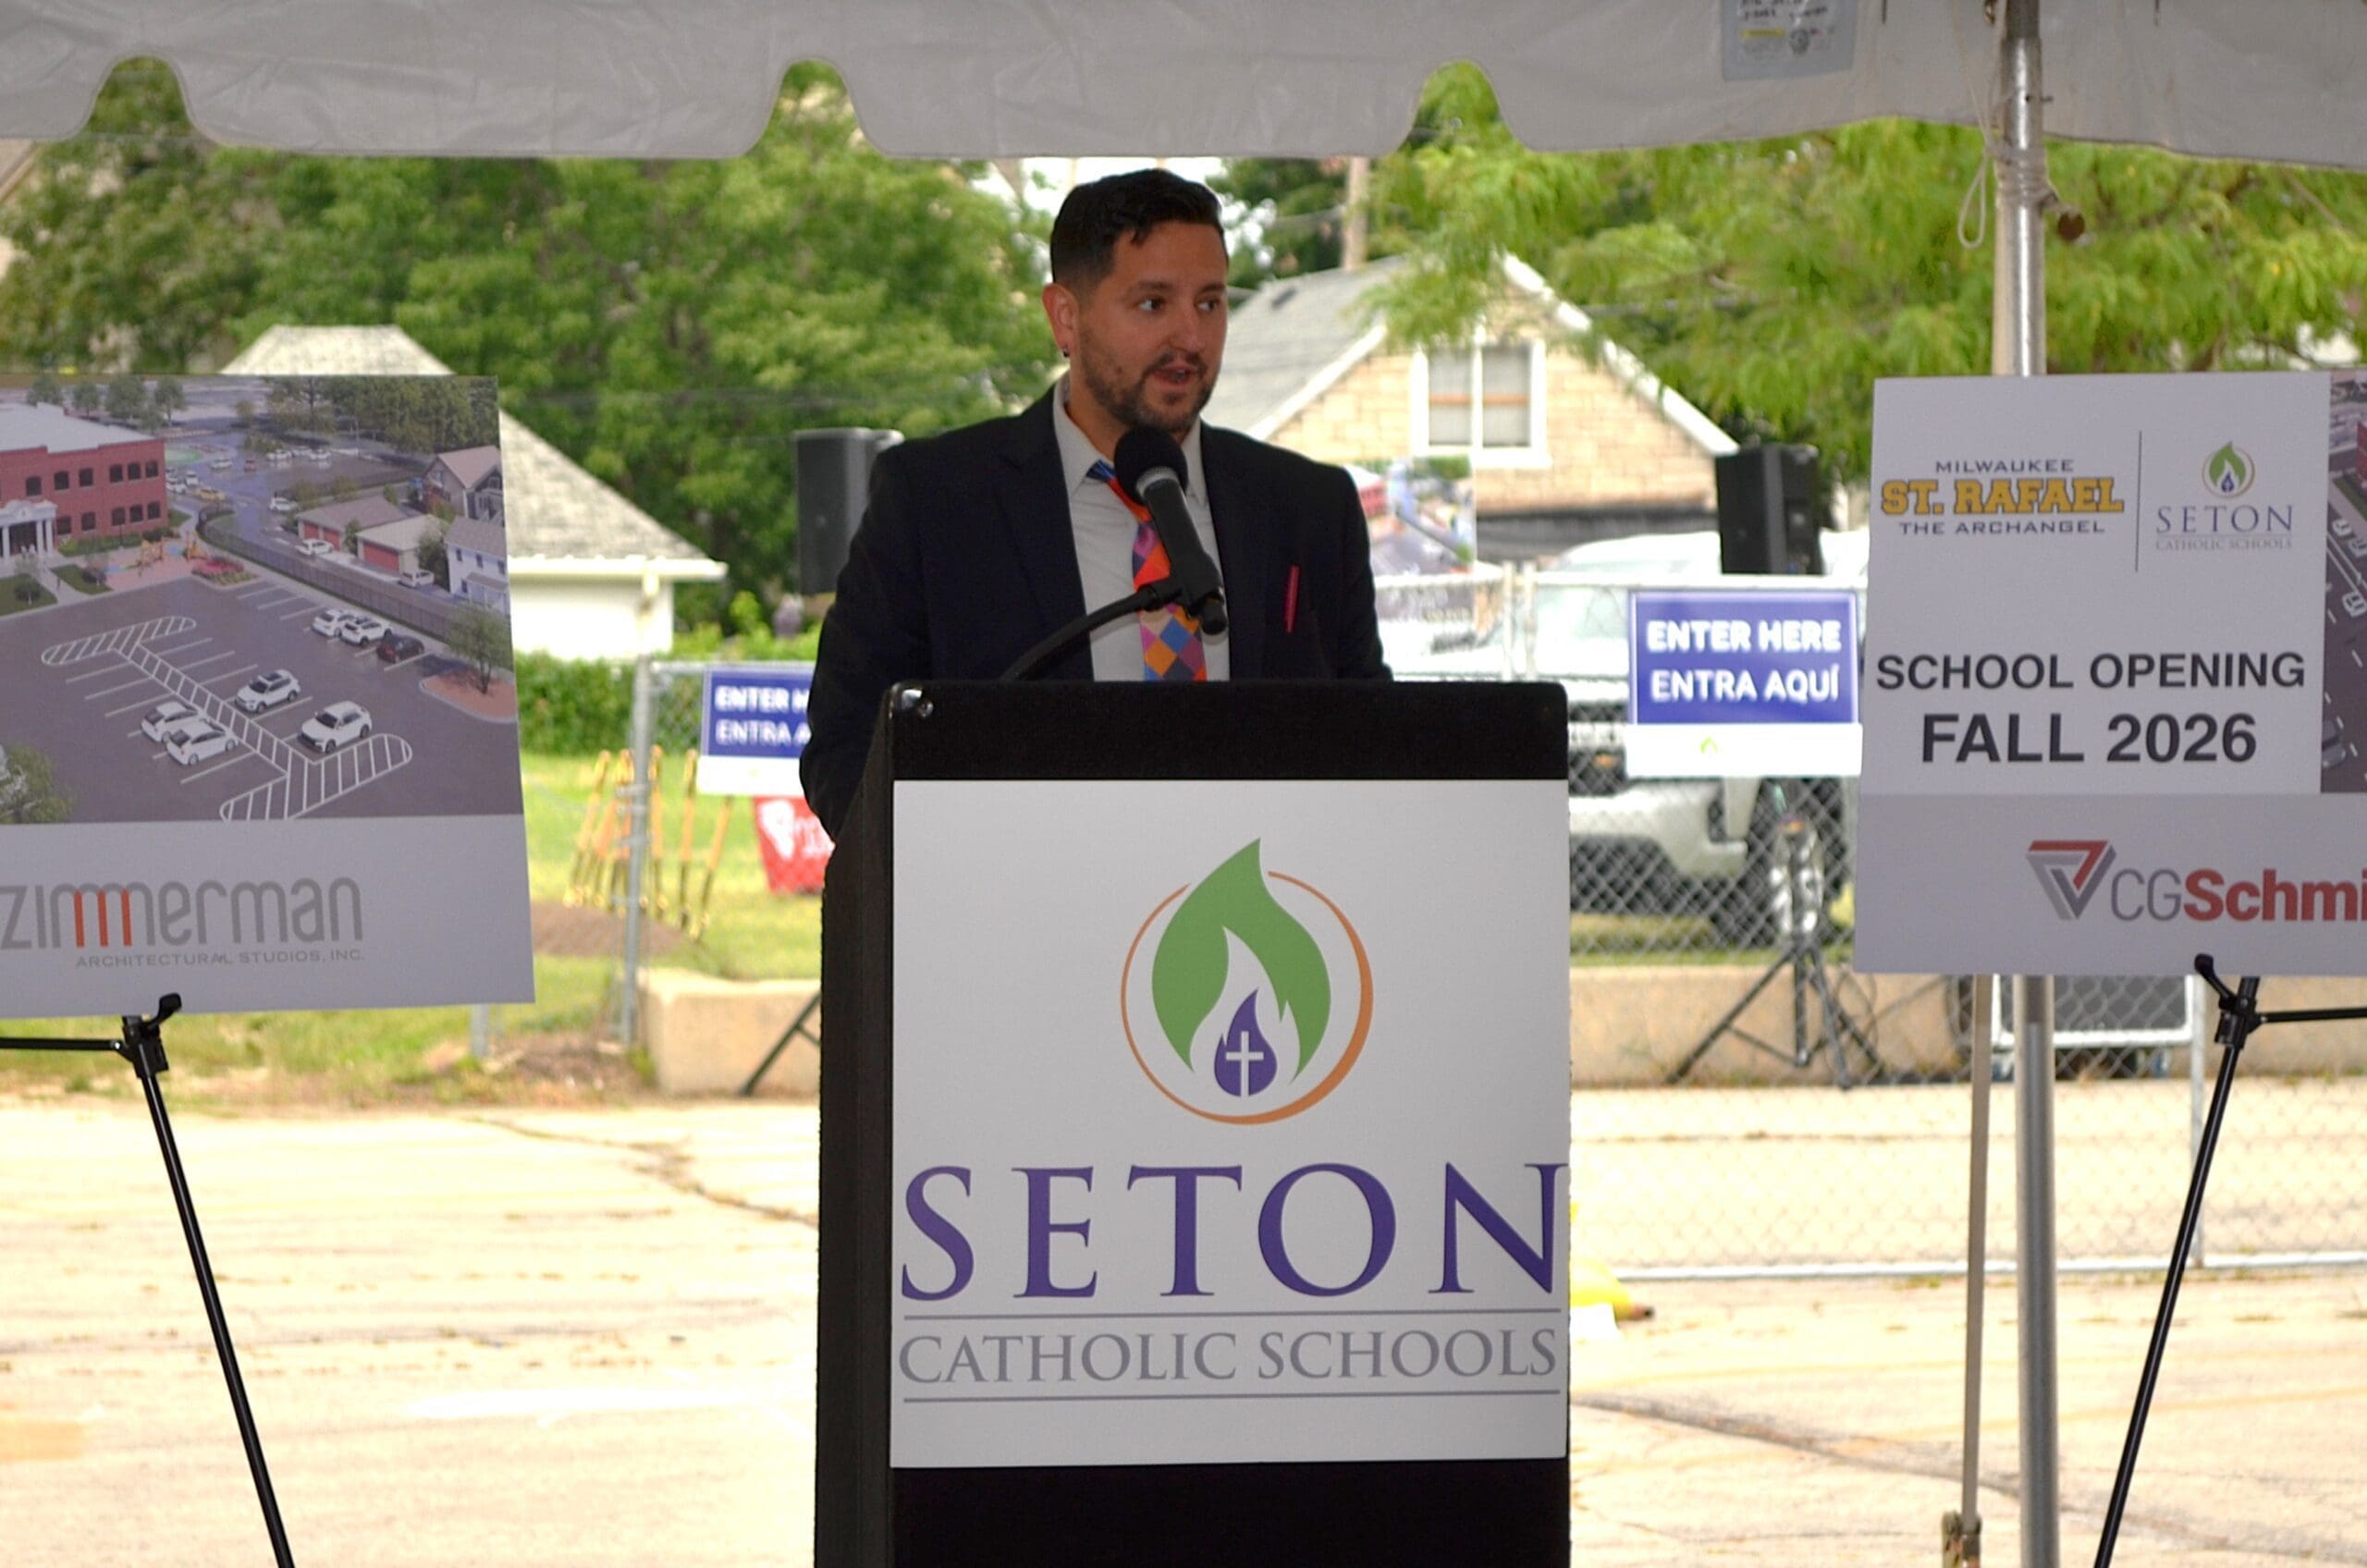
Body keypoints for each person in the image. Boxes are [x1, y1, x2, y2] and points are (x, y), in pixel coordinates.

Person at [798, 168, 1389, 837]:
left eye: (1210, 303)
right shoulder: (937, 501)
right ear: (1066, 317)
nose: (1191, 338)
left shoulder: (1309, 509)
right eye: (1153, 304)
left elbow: (1375, 744)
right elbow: (847, 746)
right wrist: (948, 876)